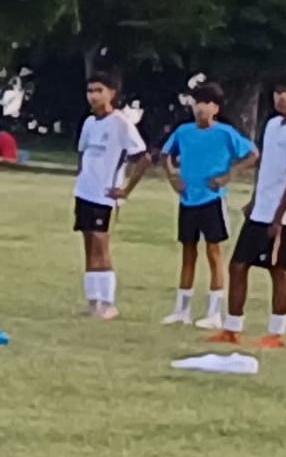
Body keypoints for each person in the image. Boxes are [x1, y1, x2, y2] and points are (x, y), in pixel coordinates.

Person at [212, 78, 286, 349]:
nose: (281, 98)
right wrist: (255, 200)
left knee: (277, 270)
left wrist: (279, 217)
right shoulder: (272, 125)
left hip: (282, 216)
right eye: (278, 92)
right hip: (261, 210)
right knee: (238, 265)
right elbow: (267, 168)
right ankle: (232, 328)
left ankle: (276, 332)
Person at [159, 82, 252, 330]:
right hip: (188, 199)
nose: (200, 108)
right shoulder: (183, 132)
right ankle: (182, 310)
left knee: (214, 253)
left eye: (206, 103)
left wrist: (228, 176)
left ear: (216, 108)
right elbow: (165, 154)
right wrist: (172, 176)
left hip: (212, 199)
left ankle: (214, 312)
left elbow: (252, 154)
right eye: (197, 102)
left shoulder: (225, 133)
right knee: (188, 253)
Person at [72, 74, 150, 320]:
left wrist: (125, 189)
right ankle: (92, 301)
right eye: (90, 91)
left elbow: (144, 157)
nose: (93, 96)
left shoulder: (120, 123)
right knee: (88, 244)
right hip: (85, 191)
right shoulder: (89, 123)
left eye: (99, 90)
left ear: (112, 93)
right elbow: (83, 153)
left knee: (101, 244)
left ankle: (109, 303)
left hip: (105, 196)